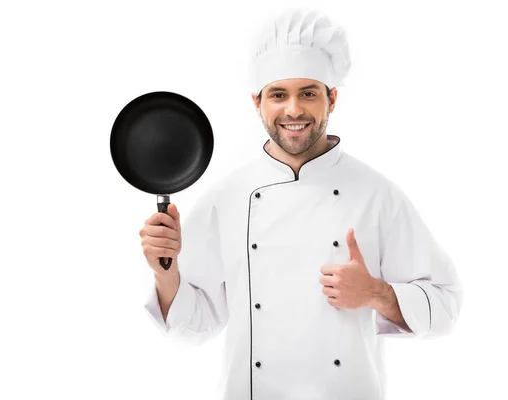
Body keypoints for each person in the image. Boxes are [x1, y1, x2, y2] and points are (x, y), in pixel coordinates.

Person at [139, 8, 463, 400]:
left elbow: (445, 306)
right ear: (257, 102)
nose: (293, 110)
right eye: (279, 95)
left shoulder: (377, 195)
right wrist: (165, 274)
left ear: (332, 99)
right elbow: (193, 328)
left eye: (308, 93)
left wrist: (376, 293)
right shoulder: (226, 197)